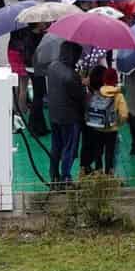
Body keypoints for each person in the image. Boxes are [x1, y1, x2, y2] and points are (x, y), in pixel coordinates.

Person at [45, 39, 86, 185]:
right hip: (70, 117)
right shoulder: (71, 75)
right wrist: (82, 83)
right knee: (69, 147)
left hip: (54, 114)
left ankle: (54, 175)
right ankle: (66, 177)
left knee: (56, 146)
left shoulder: (52, 66)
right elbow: (80, 96)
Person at [81, 65, 122, 176]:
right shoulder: (113, 94)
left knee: (98, 150)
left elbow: (86, 114)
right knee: (111, 151)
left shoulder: (89, 96)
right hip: (111, 129)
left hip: (95, 128)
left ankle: (98, 171)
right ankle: (109, 173)